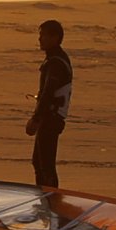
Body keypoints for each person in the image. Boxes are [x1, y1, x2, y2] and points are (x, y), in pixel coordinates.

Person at [25, 19, 73, 189]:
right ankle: (45, 198)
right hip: (52, 117)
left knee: (44, 165)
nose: (40, 39)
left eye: (43, 35)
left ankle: (50, 200)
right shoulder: (57, 58)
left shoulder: (55, 63)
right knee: (39, 162)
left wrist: (36, 119)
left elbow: (47, 93)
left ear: (55, 37)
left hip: (51, 118)